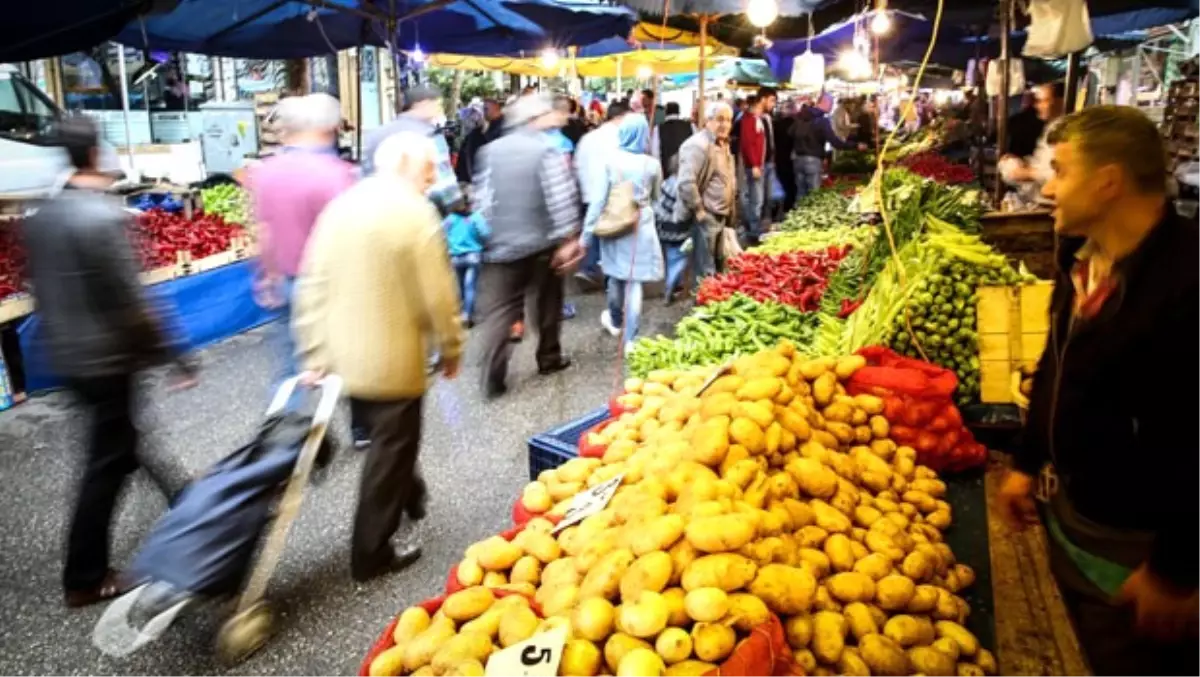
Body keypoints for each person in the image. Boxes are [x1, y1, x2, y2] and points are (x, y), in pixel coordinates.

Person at [1000, 106, 1200, 675]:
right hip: (1075, 523)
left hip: (1141, 563)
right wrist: (1028, 458)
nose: (1048, 185)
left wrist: (1174, 571)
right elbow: (1056, 360)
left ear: (1108, 181)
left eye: (1061, 171)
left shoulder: (1186, 284)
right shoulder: (1083, 259)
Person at [23, 117, 197, 607]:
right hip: (107, 357)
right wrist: (176, 356)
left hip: (68, 355)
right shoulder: (102, 218)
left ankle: (187, 498)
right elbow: (132, 302)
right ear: (96, 156)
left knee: (124, 439)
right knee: (106, 462)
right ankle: (85, 575)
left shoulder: (43, 217)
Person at [292, 132, 463, 582]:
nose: (431, 181)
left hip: (342, 357)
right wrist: (451, 346)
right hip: (391, 359)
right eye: (428, 171)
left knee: (390, 436)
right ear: (407, 164)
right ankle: (371, 552)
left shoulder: (342, 206)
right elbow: (439, 297)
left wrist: (313, 350)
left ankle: (414, 496)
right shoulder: (414, 214)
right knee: (392, 447)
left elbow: (312, 282)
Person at [473, 94, 583, 398]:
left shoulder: (489, 151)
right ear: (533, 120)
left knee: (502, 312)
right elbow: (559, 198)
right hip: (540, 243)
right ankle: (549, 358)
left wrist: (489, 234)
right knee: (547, 304)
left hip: (500, 246)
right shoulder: (545, 150)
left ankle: (494, 374)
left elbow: (482, 201)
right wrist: (568, 239)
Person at [250, 94, 356, 389]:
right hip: (327, 287)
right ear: (326, 128)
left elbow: (263, 231)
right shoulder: (336, 174)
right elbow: (348, 238)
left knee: (288, 369)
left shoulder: (266, 171)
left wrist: (269, 274)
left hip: (283, 279)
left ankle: (289, 429)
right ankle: (360, 429)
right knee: (347, 362)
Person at [582, 114, 664, 352]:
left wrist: (586, 236)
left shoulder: (610, 162)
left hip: (614, 226)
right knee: (635, 282)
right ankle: (631, 339)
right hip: (642, 225)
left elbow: (598, 202)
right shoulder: (652, 164)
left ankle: (615, 319)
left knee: (615, 277)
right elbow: (657, 198)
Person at [363, 84, 462, 217]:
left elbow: (364, 176)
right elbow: (446, 187)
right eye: (437, 105)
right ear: (422, 104)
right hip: (419, 216)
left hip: (377, 215)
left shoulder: (376, 134)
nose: (438, 110)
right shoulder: (430, 136)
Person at [675, 102, 736, 283]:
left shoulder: (722, 143)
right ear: (708, 121)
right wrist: (699, 210)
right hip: (707, 215)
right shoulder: (697, 145)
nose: (724, 124)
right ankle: (703, 306)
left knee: (719, 264)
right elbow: (686, 182)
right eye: (719, 119)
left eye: (728, 120)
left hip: (721, 214)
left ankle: (714, 303)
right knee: (705, 269)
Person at [574, 101, 629, 287]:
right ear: (621, 117)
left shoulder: (588, 138)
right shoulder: (620, 138)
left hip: (587, 190)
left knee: (593, 228)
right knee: (609, 233)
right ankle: (604, 272)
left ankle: (589, 267)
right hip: (610, 191)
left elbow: (577, 163)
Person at [1000, 82, 1065, 209]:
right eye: (1038, 101)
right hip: (1038, 201)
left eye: (1044, 100)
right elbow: (1043, 162)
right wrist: (1021, 163)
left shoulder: (1066, 131)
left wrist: (1027, 173)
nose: (1037, 106)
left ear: (1060, 101)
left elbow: (1061, 173)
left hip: (1053, 206)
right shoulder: (1051, 127)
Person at [791, 93, 865, 200]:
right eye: (831, 103)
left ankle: (797, 214)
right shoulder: (822, 121)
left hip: (797, 159)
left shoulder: (801, 117)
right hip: (813, 160)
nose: (831, 107)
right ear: (824, 103)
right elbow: (835, 142)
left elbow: (791, 132)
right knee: (815, 195)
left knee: (800, 193)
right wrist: (856, 146)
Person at [443, 186, 490, 325]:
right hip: (473, 256)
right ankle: (467, 314)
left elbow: (440, 233)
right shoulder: (476, 217)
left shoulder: (450, 219)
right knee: (470, 286)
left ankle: (461, 310)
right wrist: (483, 243)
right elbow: (485, 233)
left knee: (460, 285)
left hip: (456, 257)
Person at [655, 156, 690, 305]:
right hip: (678, 228)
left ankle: (676, 284)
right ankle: (670, 287)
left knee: (671, 257)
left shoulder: (666, 182)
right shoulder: (681, 186)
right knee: (680, 258)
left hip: (663, 227)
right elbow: (684, 210)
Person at [738, 95, 767, 246]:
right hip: (753, 165)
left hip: (755, 164)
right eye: (760, 106)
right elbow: (748, 144)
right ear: (755, 106)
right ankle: (753, 230)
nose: (762, 109)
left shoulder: (753, 120)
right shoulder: (749, 121)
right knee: (756, 198)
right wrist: (755, 164)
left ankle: (753, 227)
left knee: (755, 197)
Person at [652, 101, 694, 178]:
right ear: (679, 112)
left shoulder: (658, 128)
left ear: (665, 113)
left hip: (666, 173)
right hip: (687, 171)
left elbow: (655, 153)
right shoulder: (691, 126)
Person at [757, 87, 779, 226]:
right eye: (772, 100)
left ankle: (766, 220)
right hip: (759, 163)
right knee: (759, 196)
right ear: (763, 99)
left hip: (770, 161)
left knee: (769, 194)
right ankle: (757, 223)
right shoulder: (755, 117)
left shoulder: (768, 117)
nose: (773, 104)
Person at [774, 98, 798, 213]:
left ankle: (782, 207)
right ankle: (790, 205)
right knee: (791, 183)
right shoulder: (796, 124)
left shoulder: (776, 124)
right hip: (792, 159)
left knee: (782, 182)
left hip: (779, 158)